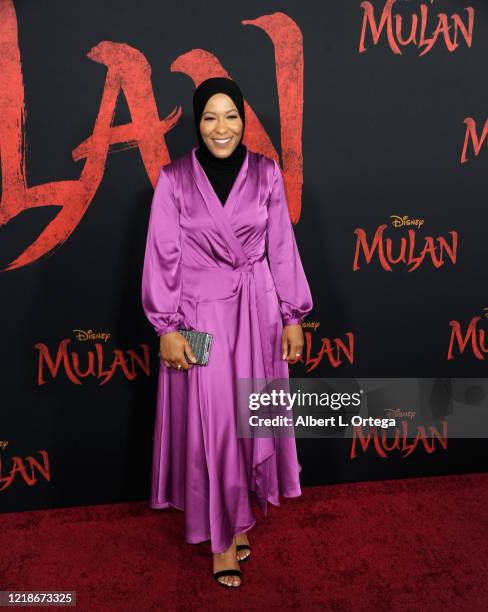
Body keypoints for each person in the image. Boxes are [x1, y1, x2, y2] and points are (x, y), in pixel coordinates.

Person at [141, 77, 313, 588]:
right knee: (211, 422)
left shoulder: (265, 173)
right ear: (198, 121)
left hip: (257, 312)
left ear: (243, 118)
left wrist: (293, 315)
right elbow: (161, 255)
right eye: (211, 116)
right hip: (197, 317)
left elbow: (281, 247)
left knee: (247, 417)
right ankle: (221, 540)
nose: (222, 127)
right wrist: (166, 327)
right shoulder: (173, 180)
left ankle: (239, 519)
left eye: (231, 116)